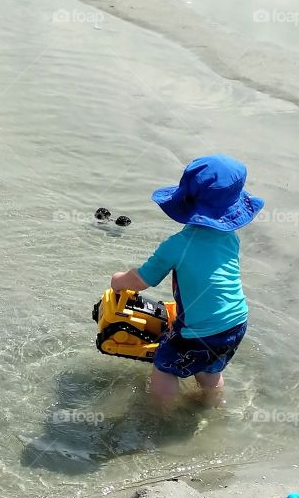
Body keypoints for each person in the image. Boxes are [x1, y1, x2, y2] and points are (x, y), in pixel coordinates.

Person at [111, 154, 263, 412]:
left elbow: (139, 281)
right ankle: (210, 406)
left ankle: (161, 417)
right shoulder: (230, 238)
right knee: (210, 369)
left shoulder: (178, 245)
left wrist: (118, 281)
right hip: (236, 323)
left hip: (199, 332)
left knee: (164, 367)